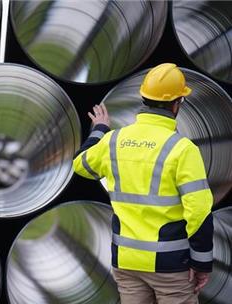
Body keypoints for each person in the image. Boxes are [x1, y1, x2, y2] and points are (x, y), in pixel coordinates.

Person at [73, 63, 213, 304]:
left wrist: (99, 131)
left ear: (143, 98)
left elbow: (80, 165)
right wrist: (201, 263)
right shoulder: (182, 149)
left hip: (126, 261)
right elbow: (198, 211)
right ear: (177, 103)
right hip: (169, 265)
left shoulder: (113, 141)